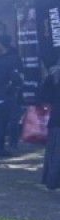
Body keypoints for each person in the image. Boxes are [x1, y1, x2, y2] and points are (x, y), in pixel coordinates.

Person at [39, 61, 60, 191]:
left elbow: (43, 97)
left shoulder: (53, 76)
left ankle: (51, 180)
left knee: (53, 151)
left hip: (56, 117)